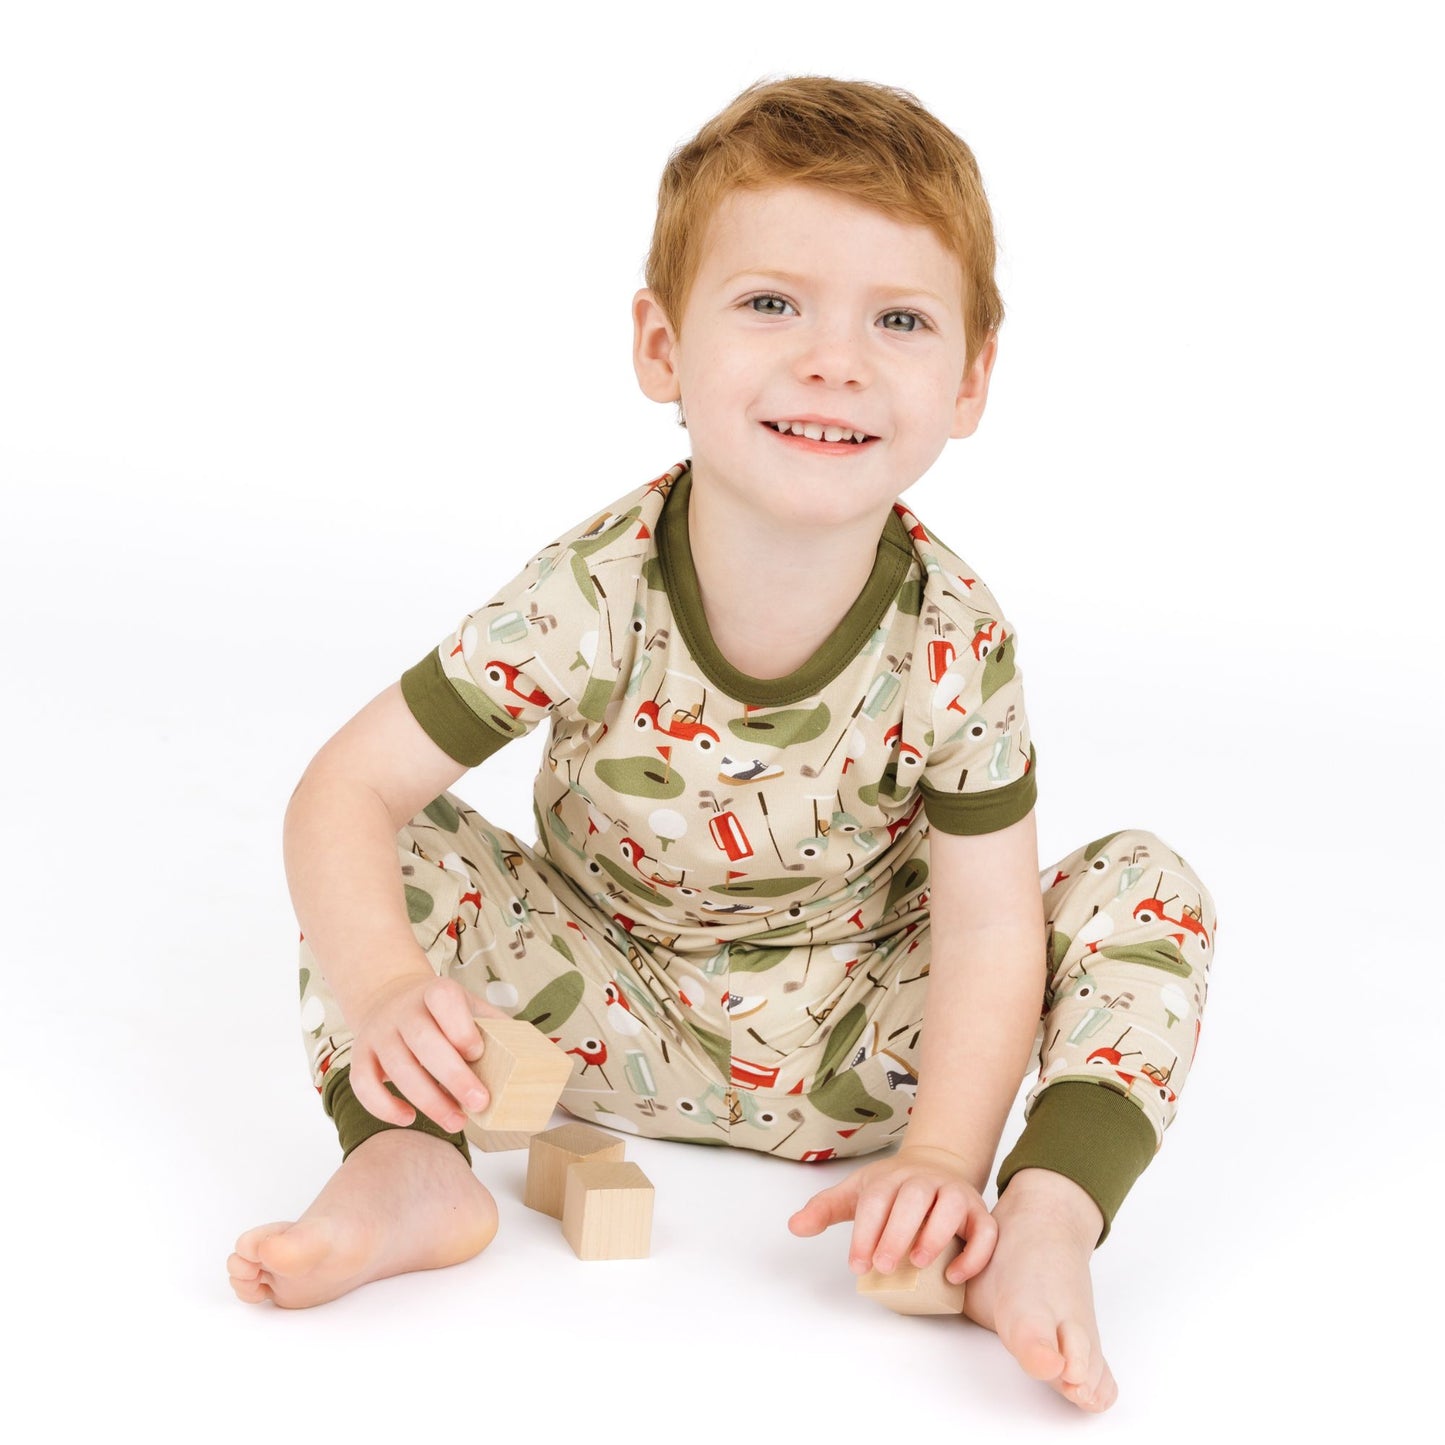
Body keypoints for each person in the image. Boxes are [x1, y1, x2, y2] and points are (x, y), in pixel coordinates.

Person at [227, 75, 1216, 1415]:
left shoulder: (954, 637)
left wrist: (942, 1152)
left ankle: (1040, 1223)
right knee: (389, 845)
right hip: (592, 1008)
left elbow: (989, 932)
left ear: (970, 377)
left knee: (1144, 883)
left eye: (900, 320)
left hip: (866, 1040)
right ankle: (411, 1158)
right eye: (769, 303)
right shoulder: (591, 590)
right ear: (659, 347)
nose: (833, 359)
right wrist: (392, 989)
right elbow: (343, 789)